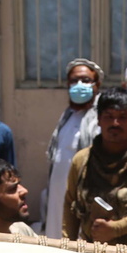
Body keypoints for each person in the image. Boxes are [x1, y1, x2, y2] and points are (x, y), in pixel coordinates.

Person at [62, 87, 127, 247]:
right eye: (108, 117)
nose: (115, 123)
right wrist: (67, 246)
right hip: (89, 251)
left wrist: (116, 229)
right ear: (98, 120)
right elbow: (71, 204)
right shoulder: (82, 160)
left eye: (122, 117)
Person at [44, 57, 104, 236]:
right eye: (74, 81)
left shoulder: (101, 116)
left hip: (86, 191)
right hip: (59, 191)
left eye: (85, 80)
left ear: (97, 85)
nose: (79, 85)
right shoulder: (68, 115)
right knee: (56, 231)